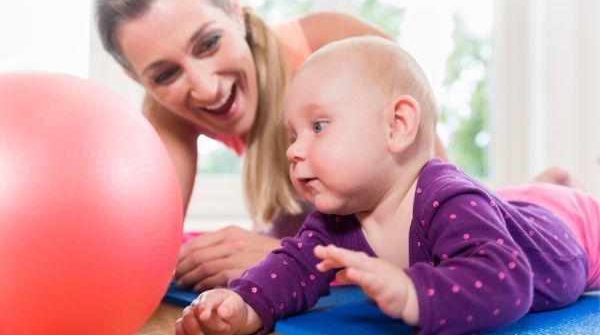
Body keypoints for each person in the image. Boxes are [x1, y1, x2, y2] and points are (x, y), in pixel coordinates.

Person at [174, 37, 599, 335]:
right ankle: (540, 184)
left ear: (397, 126)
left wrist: (411, 291)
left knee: (531, 207)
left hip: (573, 226)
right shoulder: (338, 220)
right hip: (505, 207)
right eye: (293, 135)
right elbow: (294, 267)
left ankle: (558, 186)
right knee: (502, 204)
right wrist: (244, 305)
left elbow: (507, 283)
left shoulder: (447, 198)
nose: (294, 151)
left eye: (318, 126)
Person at [95, 0, 451, 292]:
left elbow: (441, 230)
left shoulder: (337, 49)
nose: (206, 89)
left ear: (235, 10)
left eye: (208, 43)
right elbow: (143, 247)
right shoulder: (167, 112)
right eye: (165, 74)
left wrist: (290, 258)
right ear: (136, 78)